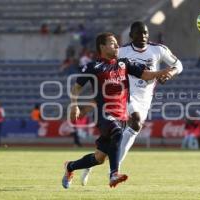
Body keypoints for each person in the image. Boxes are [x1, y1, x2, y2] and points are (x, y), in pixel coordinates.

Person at [62, 32, 173, 189]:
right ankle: (114, 174)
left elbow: (146, 74)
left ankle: (70, 167)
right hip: (103, 114)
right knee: (117, 133)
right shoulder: (93, 67)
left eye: (117, 43)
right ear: (102, 47)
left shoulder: (124, 63)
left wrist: (161, 72)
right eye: (112, 43)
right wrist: (74, 106)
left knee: (99, 158)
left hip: (121, 115)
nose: (116, 46)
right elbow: (76, 87)